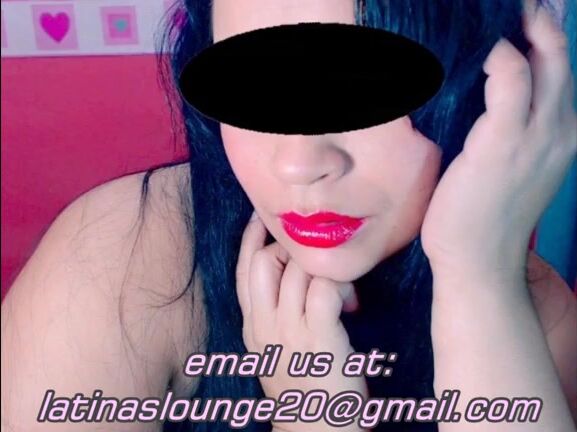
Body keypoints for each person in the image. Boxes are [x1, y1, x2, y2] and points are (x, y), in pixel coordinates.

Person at [1, 0, 576, 431]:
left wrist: (478, 280)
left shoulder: (533, 315)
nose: (299, 164)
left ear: (487, 89)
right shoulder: (120, 262)